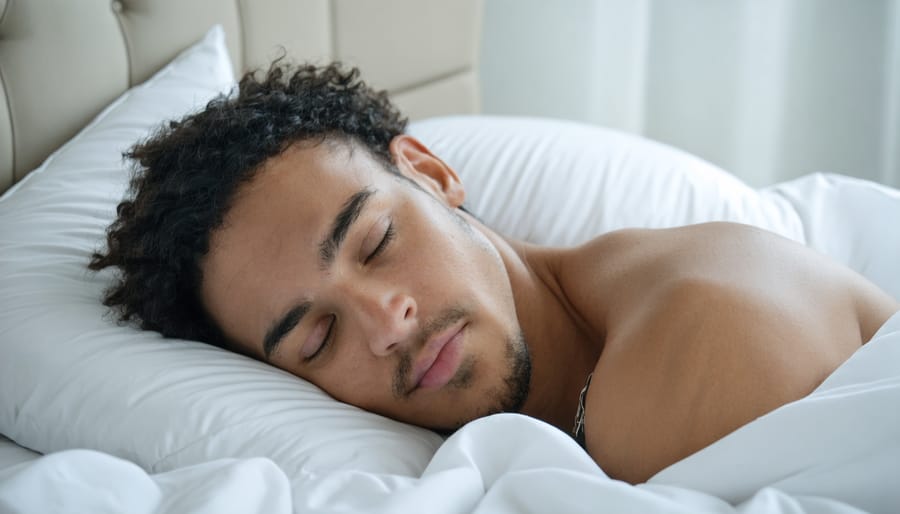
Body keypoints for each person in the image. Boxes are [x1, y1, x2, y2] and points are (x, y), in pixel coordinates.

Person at [89, 62, 900, 484]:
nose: (387, 322)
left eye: (374, 243)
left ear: (434, 176)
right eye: (317, 335)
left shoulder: (696, 338)